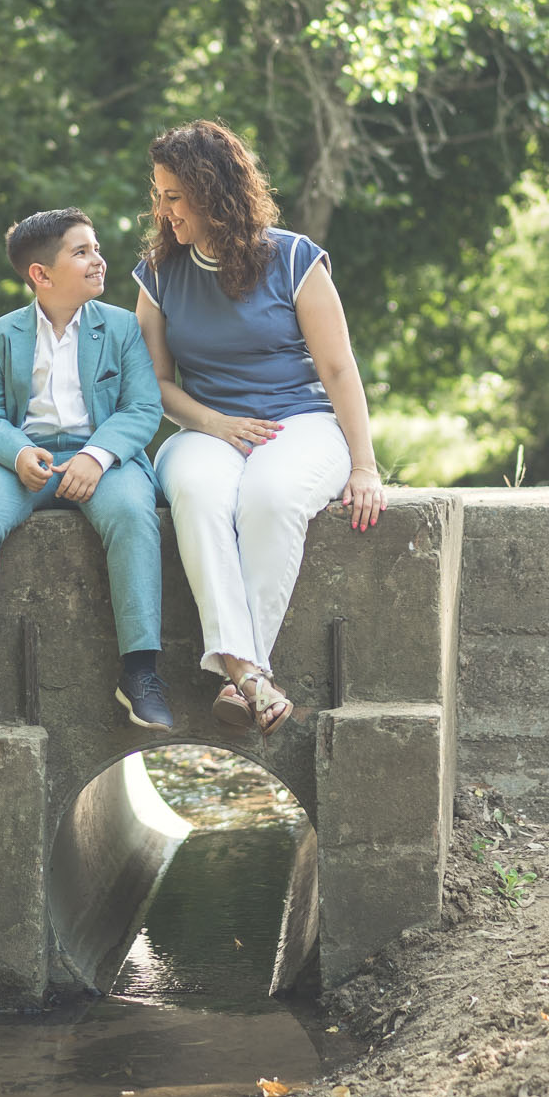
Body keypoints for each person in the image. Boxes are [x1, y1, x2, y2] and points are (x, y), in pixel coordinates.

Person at [134, 119, 387, 736]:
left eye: (174, 196)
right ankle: (251, 676)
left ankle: (237, 671)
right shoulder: (159, 274)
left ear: (211, 191)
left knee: (271, 497)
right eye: (158, 196)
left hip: (299, 422)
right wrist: (215, 423)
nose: (163, 211)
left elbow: (336, 367)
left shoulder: (295, 258)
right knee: (197, 492)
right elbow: (156, 384)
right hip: (203, 425)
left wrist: (364, 465)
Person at [0, 208, 174, 739]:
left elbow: (141, 408)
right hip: (25, 459)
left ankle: (141, 673)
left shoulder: (123, 328)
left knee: (134, 513)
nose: (97, 260)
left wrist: (97, 455)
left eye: (96, 247)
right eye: (81, 252)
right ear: (41, 274)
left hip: (103, 458)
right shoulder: (2, 335)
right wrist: (16, 453)